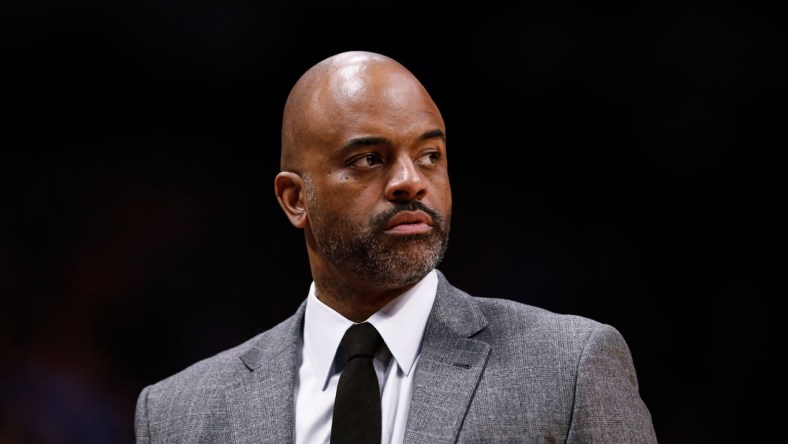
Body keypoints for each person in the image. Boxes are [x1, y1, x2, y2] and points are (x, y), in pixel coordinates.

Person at [134, 50, 658, 443]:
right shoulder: (180, 415)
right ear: (295, 199)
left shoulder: (568, 368)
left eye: (430, 155)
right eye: (369, 159)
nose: (410, 182)